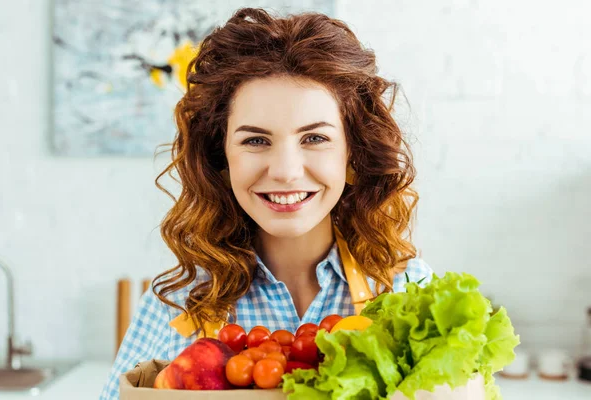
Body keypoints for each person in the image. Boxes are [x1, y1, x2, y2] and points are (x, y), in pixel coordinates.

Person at [100, 7, 433, 399]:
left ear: (352, 154)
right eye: (256, 140)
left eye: (314, 138)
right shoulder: (175, 306)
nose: (286, 171)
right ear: (220, 158)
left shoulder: (406, 289)